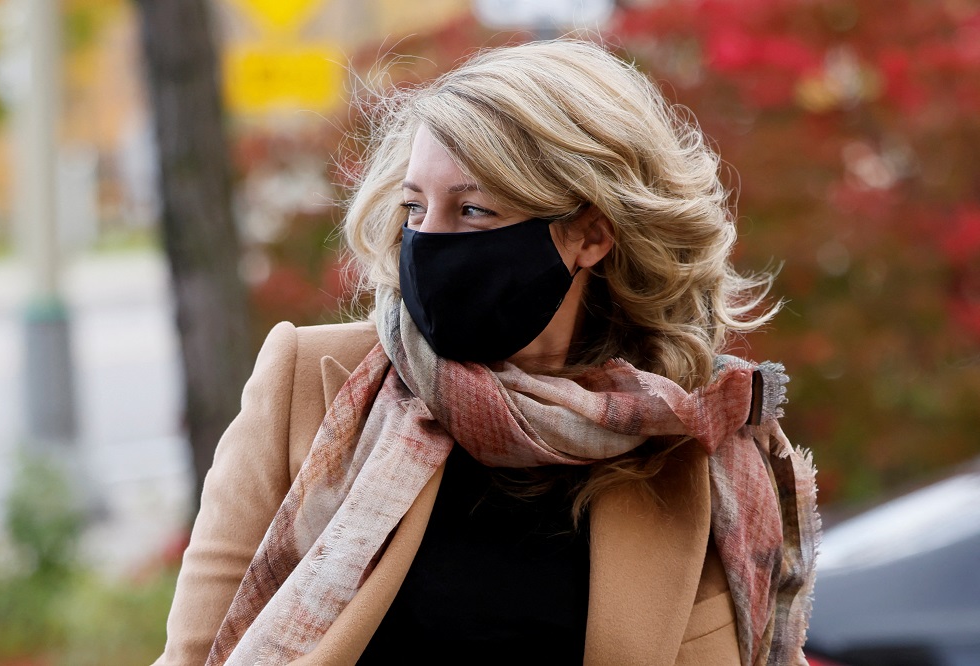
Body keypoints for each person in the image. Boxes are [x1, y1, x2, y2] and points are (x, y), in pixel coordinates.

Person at [154, 39, 818, 666]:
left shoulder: (693, 442)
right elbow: (195, 653)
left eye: (473, 211)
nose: (429, 240)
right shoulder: (308, 383)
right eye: (415, 208)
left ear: (591, 236)